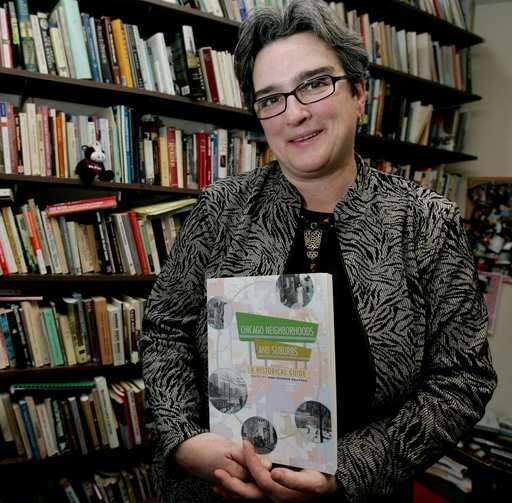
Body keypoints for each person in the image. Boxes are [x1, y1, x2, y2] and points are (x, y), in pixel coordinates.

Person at [141, 1, 497, 501]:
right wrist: (183, 439)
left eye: (314, 84)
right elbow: (164, 331)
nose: (295, 113)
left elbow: (462, 378)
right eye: (271, 98)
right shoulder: (220, 209)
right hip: (220, 488)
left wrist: (349, 470)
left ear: (358, 94)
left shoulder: (426, 221)